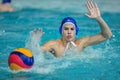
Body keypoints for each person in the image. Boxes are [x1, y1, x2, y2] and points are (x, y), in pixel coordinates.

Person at [30, 0, 112, 57]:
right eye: (66, 29)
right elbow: (36, 52)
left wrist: (99, 18)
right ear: (61, 31)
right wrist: (34, 41)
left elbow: (107, 35)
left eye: (72, 29)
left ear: (76, 31)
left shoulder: (81, 43)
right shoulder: (54, 44)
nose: (69, 32)